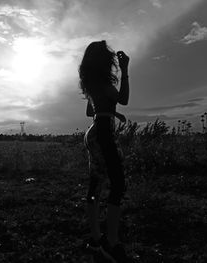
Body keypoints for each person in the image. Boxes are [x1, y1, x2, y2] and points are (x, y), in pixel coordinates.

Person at [79, 40, 131, 263]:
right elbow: (125, 99)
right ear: (103, 61)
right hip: (103, 133)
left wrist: (112, 112)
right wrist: (126, 70)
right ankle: (111, 243)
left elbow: (91, 109)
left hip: (94, 132)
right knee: (118, 184)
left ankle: (95, 238)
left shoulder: (91, 83)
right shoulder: (103, 82)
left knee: (95, 185)